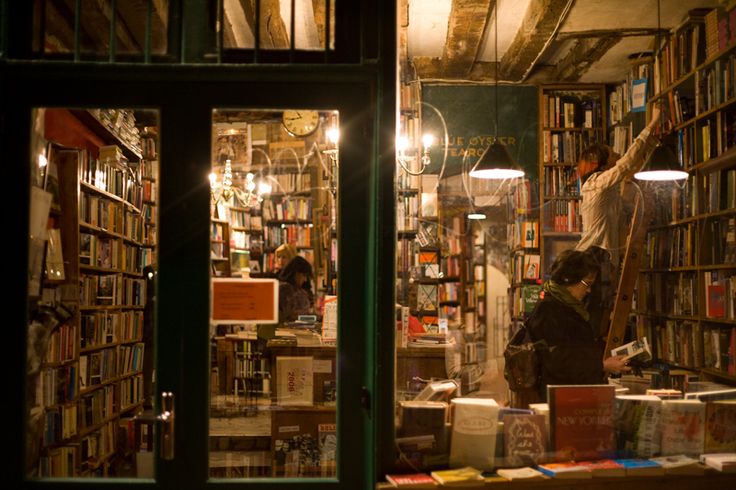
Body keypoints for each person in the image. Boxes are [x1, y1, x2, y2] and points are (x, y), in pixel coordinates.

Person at [574, 106, 661, 337]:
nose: (616, 156)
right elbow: (626, 164)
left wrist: (654, 141)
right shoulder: (596, 184)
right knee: (592, 316)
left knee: (599, 316)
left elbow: (631, 168)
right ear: (600, 163)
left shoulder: (608, 188)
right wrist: (651, 125)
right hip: (592, 258)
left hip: (603, 259)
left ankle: (594, 362)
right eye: (611, 153)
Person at [527, 249, 630, 401]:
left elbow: (575, 350)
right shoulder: (548, 310)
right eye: (586, 284)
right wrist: (602, 366)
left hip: (575, 393)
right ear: (568, 279)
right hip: (564, 398)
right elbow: (558, 361)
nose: (589, 290)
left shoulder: (570, 306)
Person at [277, 255, 315, 323]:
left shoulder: (298, 289)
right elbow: (293, 316)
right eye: (304, 275)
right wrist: (314, 317)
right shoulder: (285, 289)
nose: (305, 280)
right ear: (296, 273)